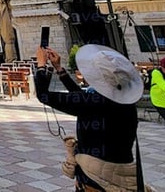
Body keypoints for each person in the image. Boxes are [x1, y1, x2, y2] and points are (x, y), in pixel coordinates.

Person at [35, 44, 152, 192]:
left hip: (96, 180)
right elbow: (82, 99)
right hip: (122, 168)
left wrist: (41, 65)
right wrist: (60, 70)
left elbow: (43, 95)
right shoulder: (125, 103)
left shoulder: (93, 103)